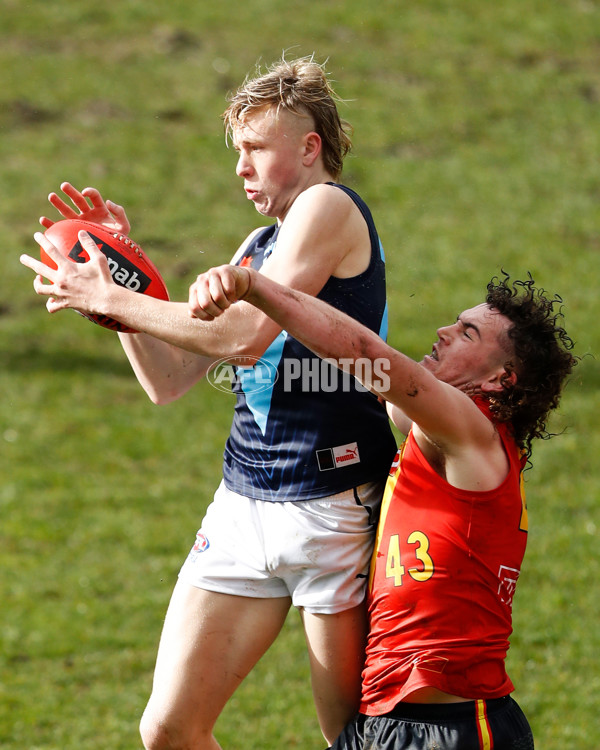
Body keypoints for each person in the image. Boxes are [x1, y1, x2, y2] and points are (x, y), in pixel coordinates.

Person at [19, 55, 397, 749]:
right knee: (168, 729)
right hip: (243, 502)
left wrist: (113, 295)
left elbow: (245, 337)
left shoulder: (328, 208)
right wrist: (118, 284)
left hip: (331, 505)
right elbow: (168, 383)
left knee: (349, 737)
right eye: (236, 152)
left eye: (255, 148)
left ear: (309, 147)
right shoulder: (257, 246)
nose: (240, 168)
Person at [182, 262, 577, 750]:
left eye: (467, 332)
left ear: (501, 378)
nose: (444, 330)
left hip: (449, 730)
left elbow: (369, 356)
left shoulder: (471, 433)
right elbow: (386, 390)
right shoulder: (440, 434)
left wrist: (258, 287)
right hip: (388, 722)